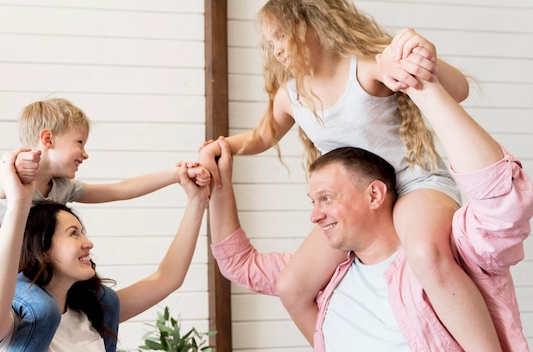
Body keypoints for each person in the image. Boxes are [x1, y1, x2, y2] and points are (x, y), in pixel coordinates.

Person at [198, 1, 498, 349]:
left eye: (281, 36)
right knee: (291, 287)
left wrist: (419, 57)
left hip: (414, 185)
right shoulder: (291, 96)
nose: (276, 49)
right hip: (358, 202)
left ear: (312, 24)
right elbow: (261, 136)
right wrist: (221, 148)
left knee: (425, 254)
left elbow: (456, 90)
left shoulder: (366, 67)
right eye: (270, 42)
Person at [0, 98, 210, 351]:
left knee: (108, 301)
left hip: (30, 277)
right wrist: (18, 172)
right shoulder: (15, 173)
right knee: (44, 310)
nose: (85, 153)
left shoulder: (61, 187)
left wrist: (177, 175)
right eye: (79, 142)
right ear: (47, 139)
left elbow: (120, 189)